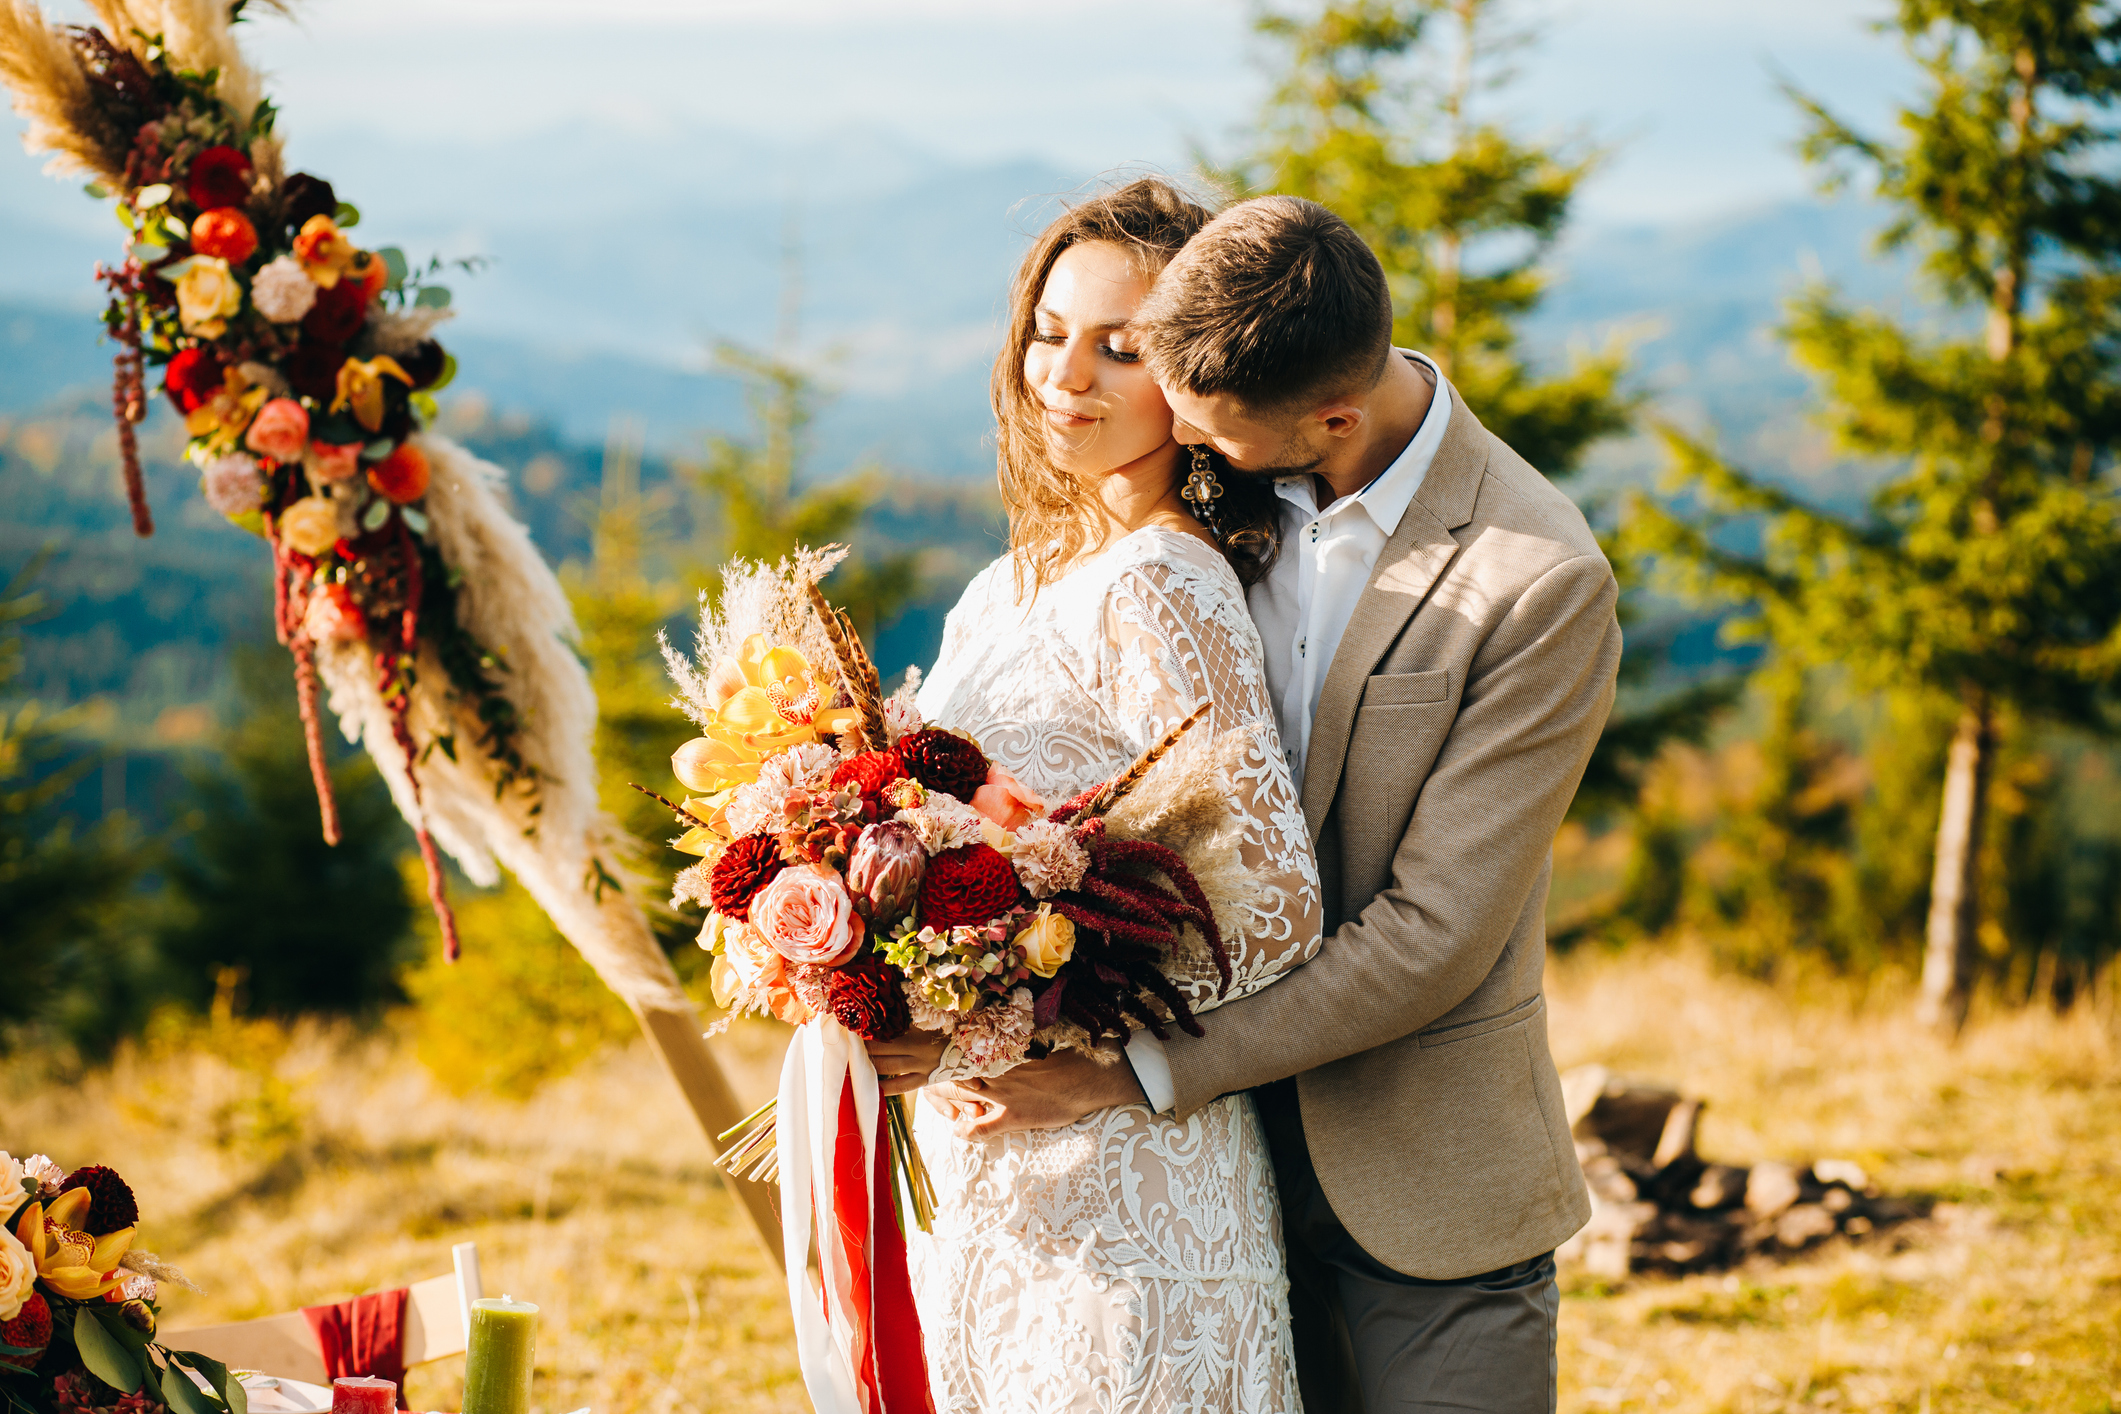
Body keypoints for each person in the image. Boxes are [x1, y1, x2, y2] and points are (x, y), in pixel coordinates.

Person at [916, 195, 1623, 1413]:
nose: (1172, 432)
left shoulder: (1535, 579)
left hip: (1415, 1185)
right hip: (1189, 1177)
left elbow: (1434, 933)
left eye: (1196, 416)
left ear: (1330, 419)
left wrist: (1131, 1073)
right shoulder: (1227, 490)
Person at [864, 177, 1323, 1411]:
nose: (1064, 374)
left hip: (1128, 1178)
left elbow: (1276, 907)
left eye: (1120, 348)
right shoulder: (1002, 584)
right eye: (1049, 332)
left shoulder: (1163, 582)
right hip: (989, 1178)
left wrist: (1045, 1017)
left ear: (1186, 381)